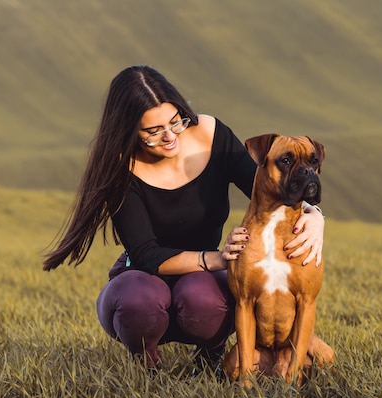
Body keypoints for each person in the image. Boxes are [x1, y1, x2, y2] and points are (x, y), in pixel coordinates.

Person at [43, 65, 326, 372]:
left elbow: (268, 187)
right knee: (137, 302)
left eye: (175, 121)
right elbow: (146, 255)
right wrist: (218, 259)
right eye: (153, 131)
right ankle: (145, 362)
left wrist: (315, 216)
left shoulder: (208, 133)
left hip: (200, 279)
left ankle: (210, 356)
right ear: (128, 132)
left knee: (206, 301)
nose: (169, 137)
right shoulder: (120, 169)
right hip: (144, 274)